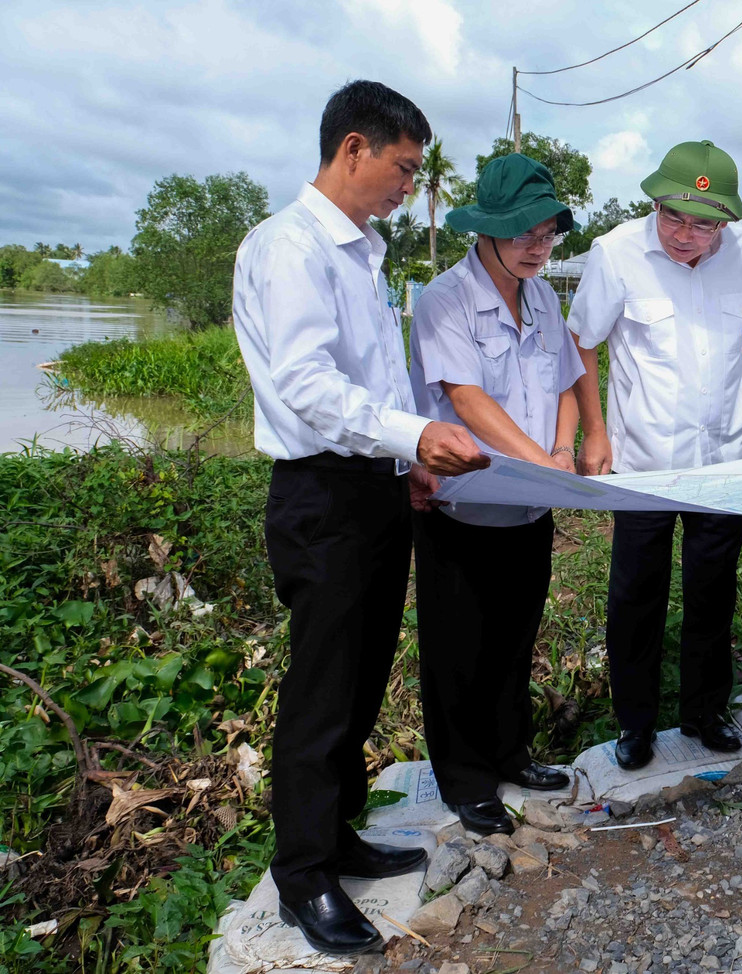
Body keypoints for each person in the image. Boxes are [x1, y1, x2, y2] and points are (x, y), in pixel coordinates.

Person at [232, 80, 489, 956]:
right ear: (352, 148)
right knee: (321, 688)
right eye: (404, 168)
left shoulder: (363, 250)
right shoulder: (291, 248)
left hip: (372, 486)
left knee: (363, 676)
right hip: (320, 494)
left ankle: (336, 833)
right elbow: (306, 388)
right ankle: (302, 875)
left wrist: (405, 457)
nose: (409, 187)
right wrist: (417, 432)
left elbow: (368, 385)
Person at [568, 140, 742, 771]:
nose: (687, 235)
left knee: (713, 592)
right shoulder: (616, 253)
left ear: (728, 221)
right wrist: (595, 431)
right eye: (674, 218)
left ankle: (705, 712)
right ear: (655, 203)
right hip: (645, 463)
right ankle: (635, 724)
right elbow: (581, 343)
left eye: (705, 224)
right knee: (637, 595)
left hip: (724, 459)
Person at [408, 154, 584, 837]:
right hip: (464, 507)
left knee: (516, 638)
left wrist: (563, 452)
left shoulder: (541, 294)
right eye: (522, 233)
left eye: (547, 233)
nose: (537, 246)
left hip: (530, 504)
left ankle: (512, 754)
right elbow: (466, 397)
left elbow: (567, 380)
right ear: (483, 231)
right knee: (459, 647)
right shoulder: (444, 298)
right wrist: (543, 461)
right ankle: (466, 779)